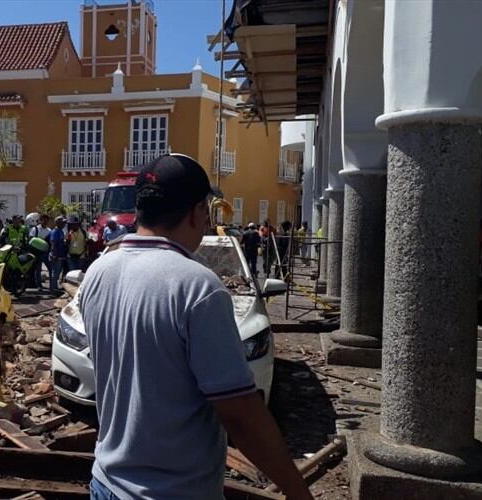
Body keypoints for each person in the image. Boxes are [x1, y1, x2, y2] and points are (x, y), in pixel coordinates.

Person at [78, 154, 311, 500]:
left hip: (106, 483)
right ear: (197, 212)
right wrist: (298, 492)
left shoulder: (99, 272)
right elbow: (240, 414)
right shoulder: (198, 287)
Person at [29, 214, 52, 289]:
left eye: (46, 220)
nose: (45, 221)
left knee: (50, 269)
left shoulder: (49, 231)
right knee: (38, 270)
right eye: (43, 220)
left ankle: (52, 285)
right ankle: (39, 286)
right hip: (37, 253)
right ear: (40, 220)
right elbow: (31, 239)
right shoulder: (35, 229)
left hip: (46, 253)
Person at [48, 215, 67, 292]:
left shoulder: (60, 231)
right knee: (55, 272)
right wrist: (54, 255)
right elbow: (53, 243)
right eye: (63, 222)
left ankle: (54, 287)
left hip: (60, 255)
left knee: (57, 272)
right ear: (58, 223)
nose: (64, 224)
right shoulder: (55, 232)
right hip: (56, 255)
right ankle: (53, 288)